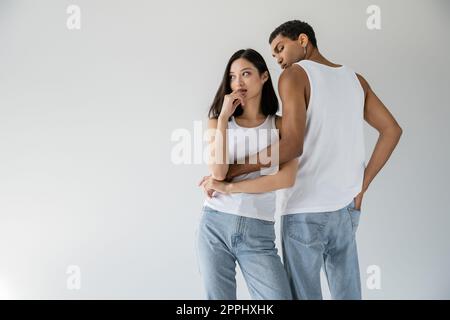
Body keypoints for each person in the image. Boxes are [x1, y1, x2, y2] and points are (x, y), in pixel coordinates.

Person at [209, 20, 403, 299]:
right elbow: (392, 130)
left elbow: (291, 145)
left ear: (303, 40)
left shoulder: (294, 75)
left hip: (304, 211)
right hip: (346, 210)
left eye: (280, 49)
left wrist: (232, 171)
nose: (278, 60)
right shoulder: (355, 79)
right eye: (274, 56)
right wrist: (364, 184)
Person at [196, 48, 297, 300]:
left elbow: (285, 178)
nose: (237, 83)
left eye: (246, 74)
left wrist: (230, 187)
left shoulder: (280, 125)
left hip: (258, 231)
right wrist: (222, 118)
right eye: (232, 76)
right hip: (214, 225)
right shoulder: (217, 122)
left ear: (264, 77)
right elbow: (218, 171)